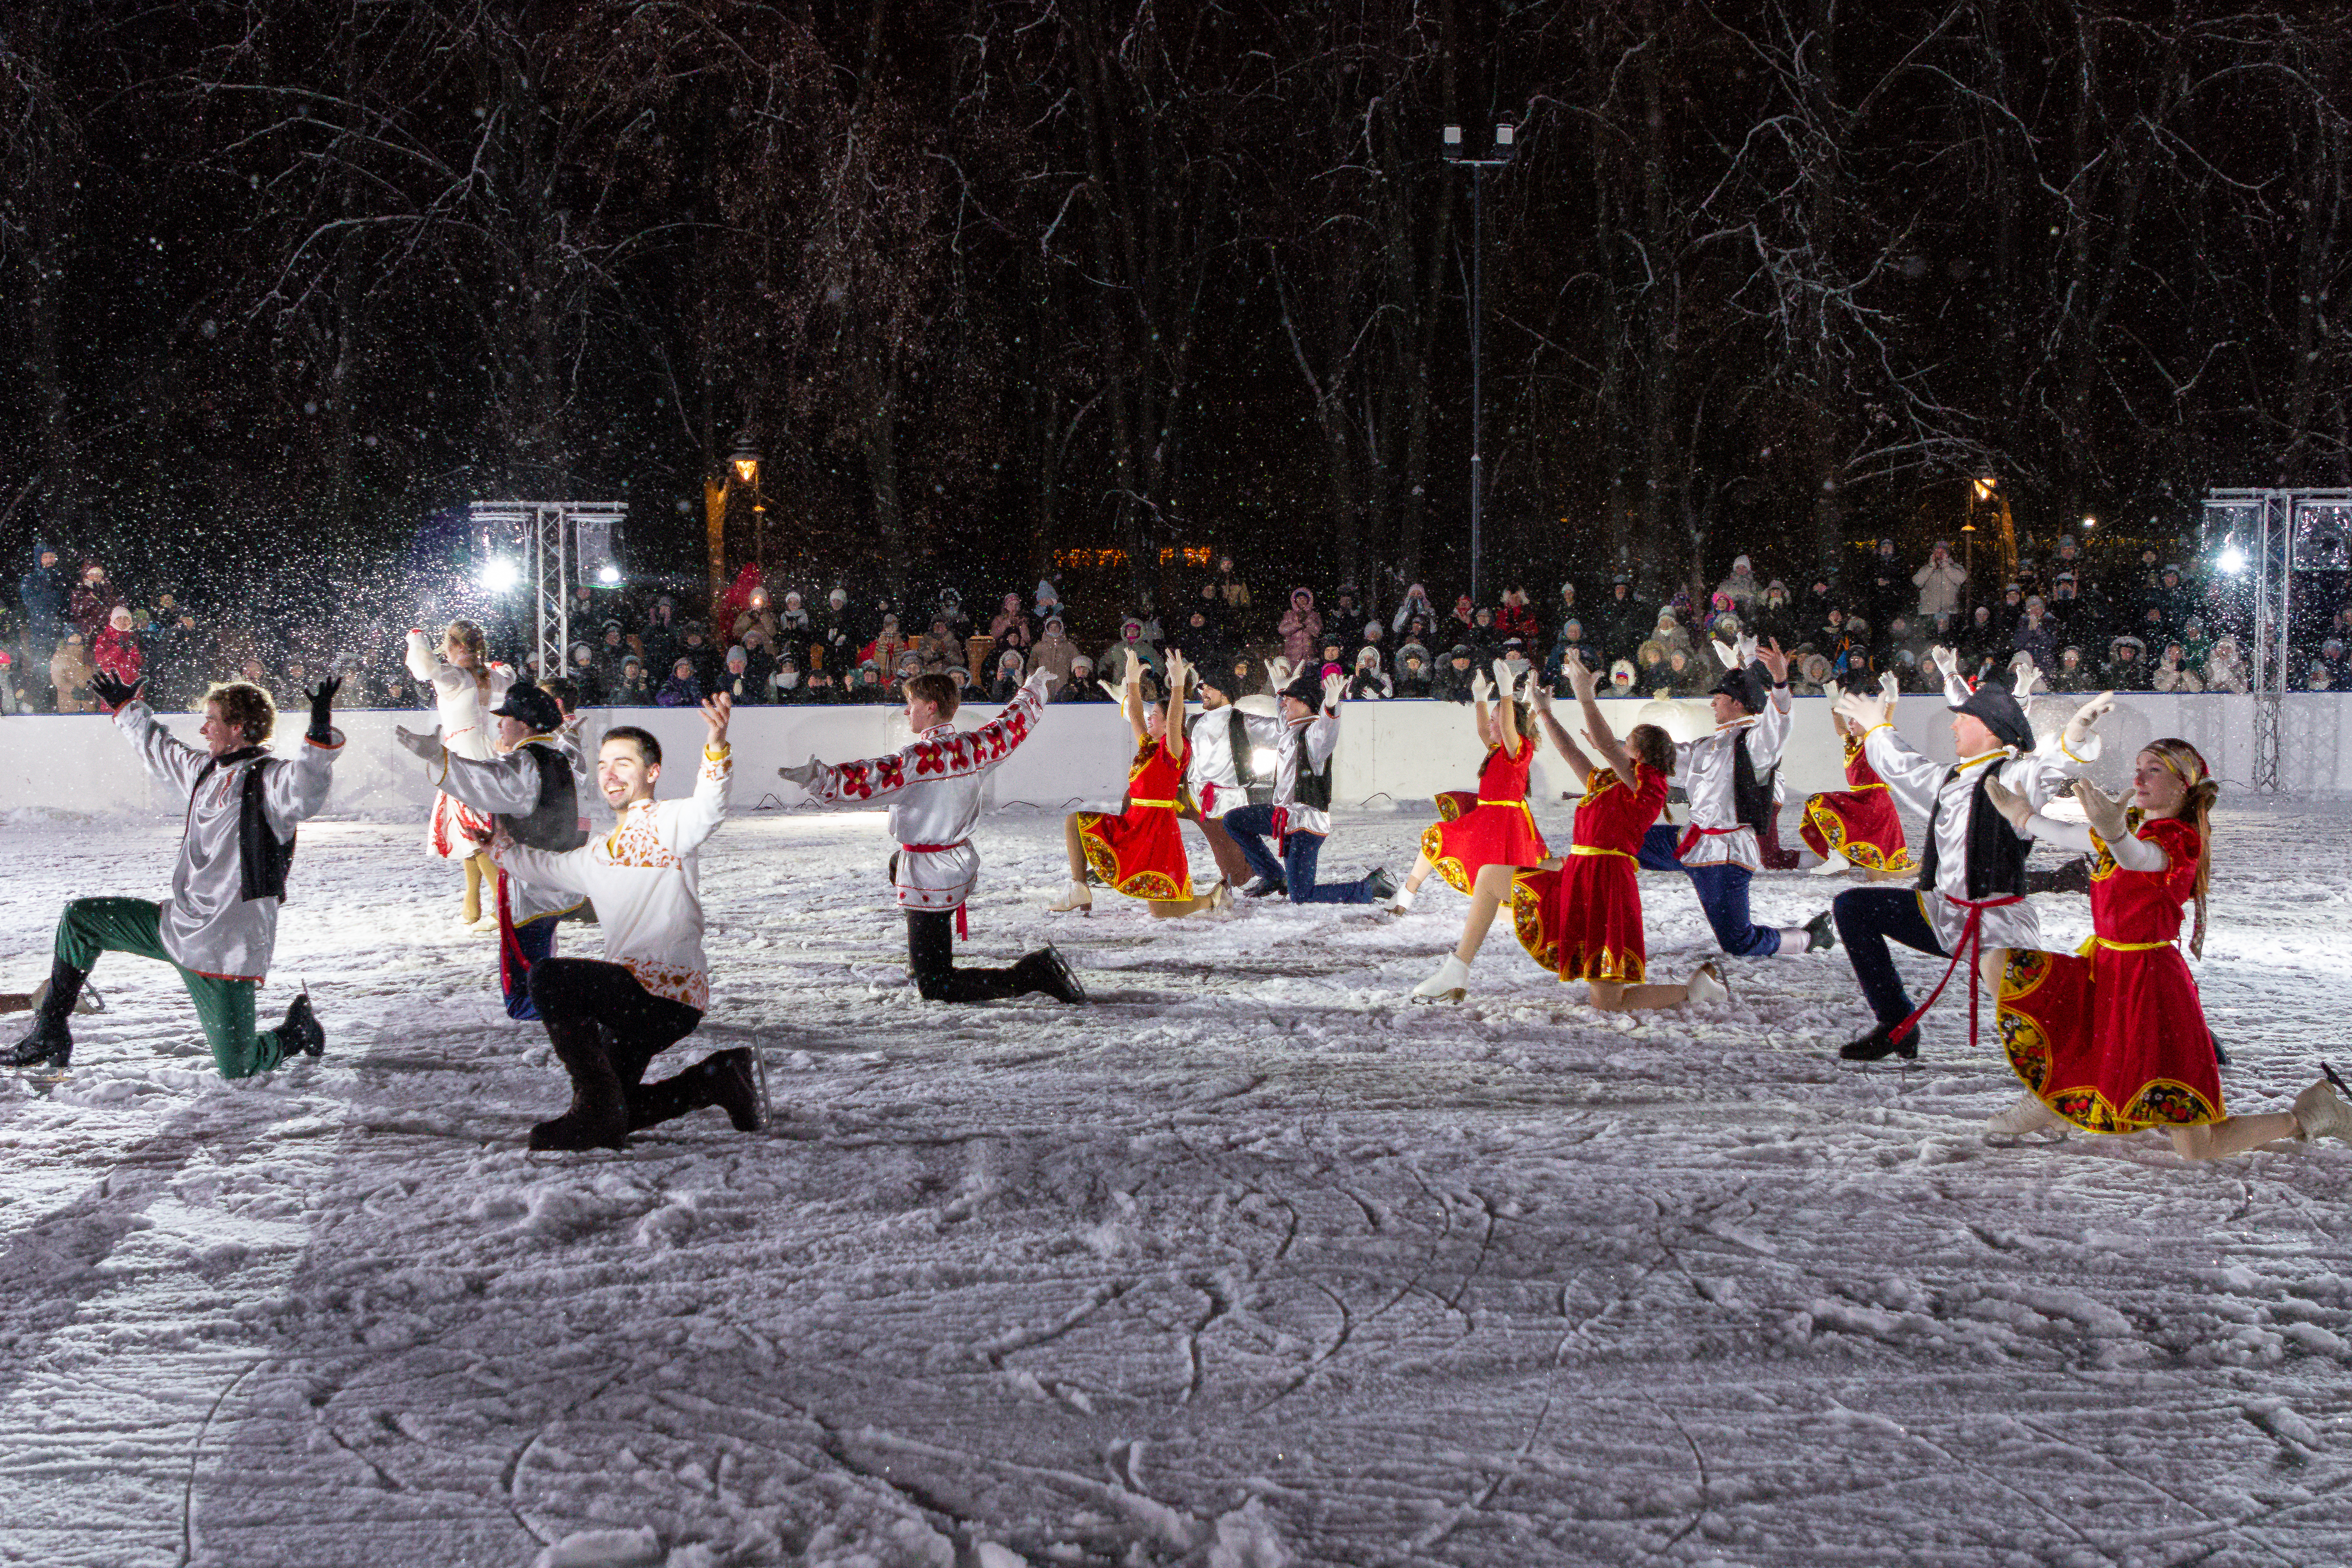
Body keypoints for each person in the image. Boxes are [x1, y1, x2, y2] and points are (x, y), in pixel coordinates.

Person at [1980, 742, 2352, 1156]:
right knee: (2000, 964)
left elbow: (2138, 859)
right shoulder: (2132, 821)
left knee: (2197, 1146)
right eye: (2138, 767)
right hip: (2103, 967)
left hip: (2152, 986)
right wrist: (2022, 815)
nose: (2138, 778)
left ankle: (2312, 1115)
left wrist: (2114, 832)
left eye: (2153, 770)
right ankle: (2055, 1100)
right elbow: (2073, 836)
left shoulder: (2180, 839)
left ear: (2182, 783)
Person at [10, 670, 343, 1076]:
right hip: (174, 925)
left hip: (225, 945)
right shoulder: (207, 771)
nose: (204, 728)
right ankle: (49, 1029)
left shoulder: (272, 782)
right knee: (81, 919)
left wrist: (320, 730)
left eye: (212, 720)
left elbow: (307, 789)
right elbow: (161, 749)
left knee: (238, 1067)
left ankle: (296, 1033)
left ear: (238, 728)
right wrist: (126, 708)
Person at [486, 693, 761, 1151]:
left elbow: (709, 807)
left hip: (663, 995)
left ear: (652, 772)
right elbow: (542, 868)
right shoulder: (598, 854)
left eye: (624, 763)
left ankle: (593, 1109)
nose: (610, 773)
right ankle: (718, 1079)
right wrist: (500, 846)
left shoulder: (671, 822)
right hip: (632, 1000)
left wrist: (715, 744)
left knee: (549, 977)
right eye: (603, 763)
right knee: (621, 1108)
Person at [1828, 666, 2113, 1061]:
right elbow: (1905, 768)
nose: (1953, 726)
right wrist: (1877, 729)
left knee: (2045, 1015)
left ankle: (2157, 1033)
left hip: (1995, 925)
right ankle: (1897, 1025)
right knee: (1853, 908)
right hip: (1944, 911)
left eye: (1963, 718)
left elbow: (2051, 766)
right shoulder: (1949, 779)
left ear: (1991, 730)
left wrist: (2075, 735)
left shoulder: (2015, 776)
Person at [777, 668, 1086, 1005]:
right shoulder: (973, 745)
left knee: (936, 986)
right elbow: (1011, 726)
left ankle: (1033, 972)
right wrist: (1031, 691)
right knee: (898, 864)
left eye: (911, 703)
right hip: (953, 862)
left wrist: (818, 778)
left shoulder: (918, 759)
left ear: (931, 707)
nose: (907, 711)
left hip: (929, 875)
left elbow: (867, 780)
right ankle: (924, 957)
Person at [1438, 652, 1726, 1010]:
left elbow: (1606, 744)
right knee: (1489, 876)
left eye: (1629, 740)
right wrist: (1543, 711)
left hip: (1606, 887)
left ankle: (1693, 990)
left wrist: (1585, 697)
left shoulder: (1648, 785)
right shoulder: (1610, 783)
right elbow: (1568, 749)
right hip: (1579, 874)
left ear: (1640, 752)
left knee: (1607, 1003)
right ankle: (1456, 970)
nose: (1621, 743)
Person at [1633, 636, 1835, 962]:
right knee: (1621, 840)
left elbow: (1779, 722)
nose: (1712, 704)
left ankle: (1808, 937)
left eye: (1719, 698)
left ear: (1737, 703)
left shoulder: (1755, 745)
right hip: (1691, 842)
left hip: (1725, 856)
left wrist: (1780, 682)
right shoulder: (1707, 744)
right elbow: (1667, 758)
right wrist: (1610, 745)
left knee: (1738, 942)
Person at [401, 682, 587, 1020]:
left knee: (524, 991)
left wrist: (437, 757)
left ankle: (582, 1010)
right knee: (544, 959)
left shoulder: (527, 763)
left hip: (532, 884)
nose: (500, 725)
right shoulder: (559, 755)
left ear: (526, 725)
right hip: (559, 875)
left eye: (506, 718)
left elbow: (485, 780)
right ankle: (575, 1003)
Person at [1048, 651, 1229, 919]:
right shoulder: (1148, 746)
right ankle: (1079, 888)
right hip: (1134, 821)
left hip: (1157, 829)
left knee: (1161, 910)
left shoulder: (1174, 749)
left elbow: (1175, 717)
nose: (1149, 718)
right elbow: (1134, 714)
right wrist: (1131, 680)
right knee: (1075, 821)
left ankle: (1212, 900)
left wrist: (1179, 685)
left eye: (1155, 715)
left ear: (1168, 722)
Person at [1220, 668, 1396, 905]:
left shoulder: (1313, 735)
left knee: (1301, 896)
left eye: (1289, 701)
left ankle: (1368, 888)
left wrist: (1331, 705)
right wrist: (1279, 691)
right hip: (1285, 816)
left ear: (1305, 704)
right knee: (1234, 820)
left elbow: (1327, 730)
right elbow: (1283, 720)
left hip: (1306, 824)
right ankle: (1273, 876)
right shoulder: (1293, 729)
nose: (1284, 706)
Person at [1389, 660, 1547, 913]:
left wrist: (1507, 694)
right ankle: (1403, 900)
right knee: (1437, 839)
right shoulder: (1498, 749)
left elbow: (1507, 727)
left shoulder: (1517, 749)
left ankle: (1567, 874)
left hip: (1502, 824)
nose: (1491, 724)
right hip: (1488, 820)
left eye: (1496, 720)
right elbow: (1485, 730)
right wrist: (1480, 700)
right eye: (1493, 719)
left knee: (1508, 897)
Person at [407, 619, 515, 931]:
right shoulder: (486, 676)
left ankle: (500, 905)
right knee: (467, 830)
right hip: (481, 756)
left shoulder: (454, 677)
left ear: (453, 647)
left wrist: (416, 639)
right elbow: (509, 677)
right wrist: (500, 665)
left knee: (471, 832)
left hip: (464, 759)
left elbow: (425, 669)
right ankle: (473, 903)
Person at [1798, 673, 1917, 880]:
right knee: (1819, 801)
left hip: (1875, 804)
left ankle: (1921, 869)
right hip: (1859, 801)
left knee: (1876, 876)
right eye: (1851, 719)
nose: (1851, 723)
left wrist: (1892, 701)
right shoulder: (1852, 744)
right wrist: (1834, 707)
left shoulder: (1875, 740)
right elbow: (1841, 729)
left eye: (1855, 719)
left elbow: (1883, 722)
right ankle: (1839, 858)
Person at [1179, 663, 1277, 891]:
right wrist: (1128, 699)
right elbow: (1162, 720)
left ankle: (1263, 872)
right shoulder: (1193, 722)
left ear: (1224, 694)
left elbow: (1284, 729)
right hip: (1191, 797)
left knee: (1236, 876)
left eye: (1210, 688)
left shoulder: (1243, 721)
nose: (1203, 692)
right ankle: (1123, 854)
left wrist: (1282, 694)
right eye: (1203, 687)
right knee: (1140, 798)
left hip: (1226, 803)